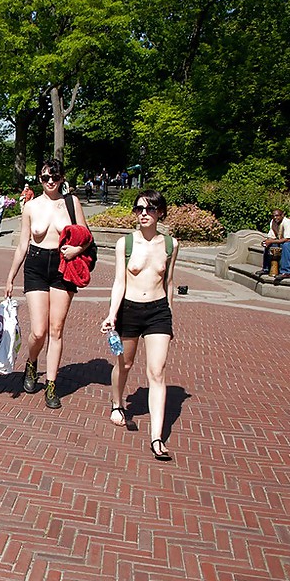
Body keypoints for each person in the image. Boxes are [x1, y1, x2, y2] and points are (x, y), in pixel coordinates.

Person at [5, 159, 90, 409]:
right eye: (45, 177)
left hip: (64, 265)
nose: (50, 181)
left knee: (56, 329)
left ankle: (51, 384)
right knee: (38, 331)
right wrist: (10, 276)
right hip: (36, 265)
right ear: (40, 180)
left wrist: (77, 249)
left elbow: (86, 236)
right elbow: (23, 245)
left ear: (62, 178)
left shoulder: (71, 203)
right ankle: (32, 362)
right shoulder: (30, 207)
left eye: (54, 176)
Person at [101, 190, 179, 461]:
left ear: (160, 212)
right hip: (129, 310)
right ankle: (116, 403)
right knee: (124, 363)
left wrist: (169, 314)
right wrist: (111, 314)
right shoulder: (126, 244)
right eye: (138, 209)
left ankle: (157, 438)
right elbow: (119, 282)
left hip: (158, 312)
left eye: (149, 209)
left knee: (157, 372)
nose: (143, 213)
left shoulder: (170, 245)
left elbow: (168, 281)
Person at [260, 209, 290, 282]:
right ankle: (266, 268)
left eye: (277, 216)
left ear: (282, 215)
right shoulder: (273, 222)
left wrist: (270, 241)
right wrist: (266, 242)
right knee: (269, 245)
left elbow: (288, 239)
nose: (275, 217)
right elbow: (272, 237)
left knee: (286, 245)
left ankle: (286, 272)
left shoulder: (286, 222)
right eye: (273, 216)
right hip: (287, 243)